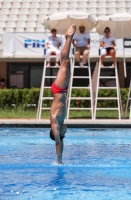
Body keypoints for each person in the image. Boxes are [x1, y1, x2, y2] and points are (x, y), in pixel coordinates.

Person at [50, 24, 76, 164]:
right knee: (67, 63)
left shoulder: (55, 123)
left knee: (64, 63)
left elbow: (58, 144)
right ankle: (68, 39)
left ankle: (68, 37)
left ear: (57, 133)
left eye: (63, 134)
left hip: (58, 89)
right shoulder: (61, 123)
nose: (66, 131)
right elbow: (62, 141)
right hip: (63, 90)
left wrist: (59, 160)